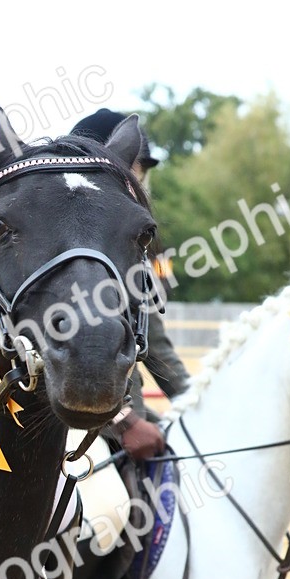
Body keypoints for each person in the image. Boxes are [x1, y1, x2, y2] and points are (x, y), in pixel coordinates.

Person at [71, 108, 190, 459]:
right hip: (71, 434)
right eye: (136, 167)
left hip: (126, 418)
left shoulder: (132, 248)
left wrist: (200, 404)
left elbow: (156, 345)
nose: (141, 181)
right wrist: (124, 422)